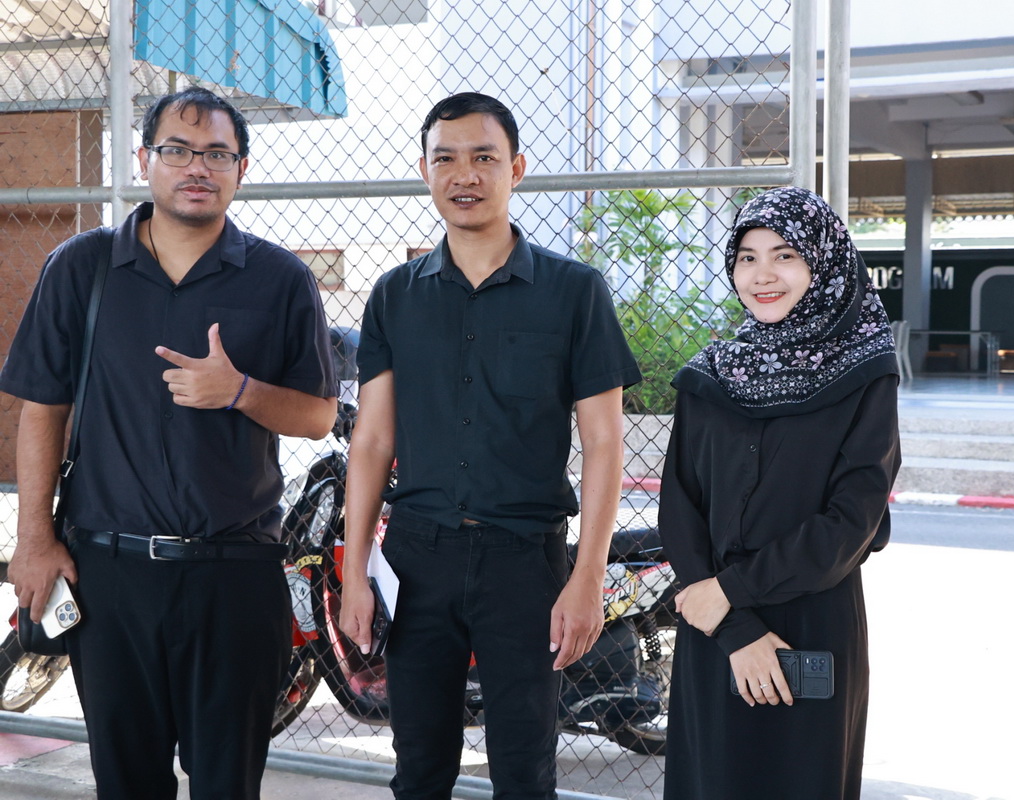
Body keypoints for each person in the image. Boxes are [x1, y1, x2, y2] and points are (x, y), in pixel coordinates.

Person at [0, 87, 337, 799]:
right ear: (144, 158)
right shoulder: (82, 267)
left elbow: (316, 416)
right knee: (127, 783)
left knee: (227, 785)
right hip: (109, 575)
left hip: (234, 576)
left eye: (217, 154)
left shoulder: (281, 280)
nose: (197, 167)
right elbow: (42, 408)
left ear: (241, 169)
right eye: (178, 150)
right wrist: (34, 539)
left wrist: (239, 390)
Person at [338, 92, 641, 800]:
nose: (464, 175)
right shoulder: (394, 295)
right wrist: (354, 572)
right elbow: (373, 439)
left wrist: (588, 578)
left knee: (524, 773)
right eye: (446, 159)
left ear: (517, 169)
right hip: (417, 558)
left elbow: (604, 443)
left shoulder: (574, 292)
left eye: (484, 157)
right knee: (419, 769)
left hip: (525, 561)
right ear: (425, 170)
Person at [659, 186, 901, 799]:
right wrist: (732, 625)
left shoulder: (864, 372)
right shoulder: (710, 376)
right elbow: (679, 506)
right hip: (714, 628)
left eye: (785, 255)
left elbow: (852, 522)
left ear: (823, 264)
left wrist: (728, 594)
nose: (762, 274)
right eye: (747, 257)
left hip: (809, 621)